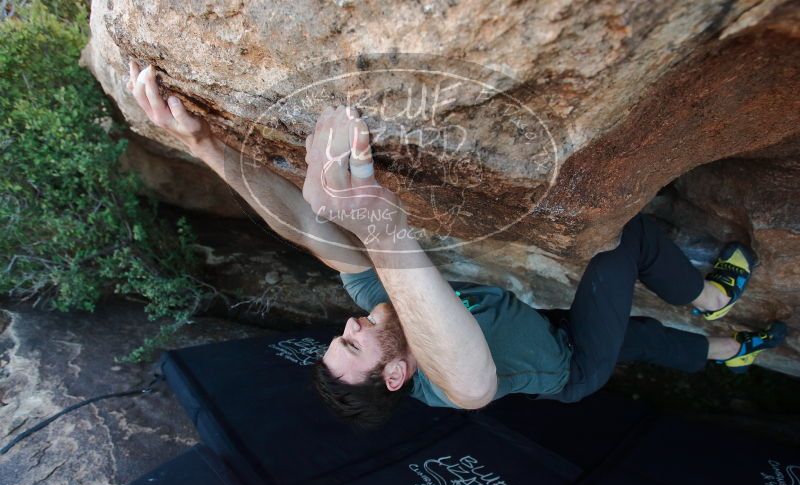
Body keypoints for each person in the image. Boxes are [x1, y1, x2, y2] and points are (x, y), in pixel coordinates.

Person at [127, 62, 787, 431]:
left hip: (541, 328)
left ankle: (731, 353)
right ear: (395, 375)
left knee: (641, 335)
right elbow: (471, 384)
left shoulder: (384, 311)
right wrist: (383, 228)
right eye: (353, 343)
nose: (352, 323)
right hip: (571, 365)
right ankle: (709, 298)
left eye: (343, 333)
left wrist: (203, 145)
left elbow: (311, 236)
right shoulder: (445, 386)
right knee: (627, 241)